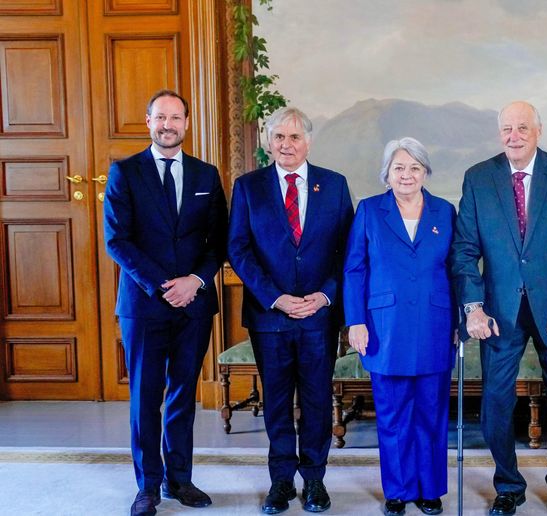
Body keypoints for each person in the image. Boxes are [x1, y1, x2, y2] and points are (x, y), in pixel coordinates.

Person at [450, 101, 547, 516]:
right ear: (499, 133)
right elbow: (464, 250)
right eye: (507, 129)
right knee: (495, 400)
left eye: (522, 128)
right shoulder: (479, 179)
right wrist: (473, 308)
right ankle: (509, 485)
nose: (514, 136)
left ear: (539, 130)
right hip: (498, 313)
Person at [104, 89, 228, 516]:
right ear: (148, 121)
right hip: (143, 305)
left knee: (182, 394)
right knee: (145, 396)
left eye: (175, 118)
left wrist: (193, 281)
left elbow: (219, 242)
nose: (168, 125)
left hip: (193, 303)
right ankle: (148, 487)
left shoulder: (206, 175)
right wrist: (162, 285)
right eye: (160, 117)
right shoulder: (125, 173)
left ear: (187, 124)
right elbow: (117, 241)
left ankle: (180, 479)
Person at [228, 106, 354, 515]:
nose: (286, 145)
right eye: (279, 137)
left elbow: (349, 253)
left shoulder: (334, 186)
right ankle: (281, 481)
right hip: (270, 315)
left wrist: (325, 295)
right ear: (269, 142)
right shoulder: (248, 187)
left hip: (319, 315)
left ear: (308, 142)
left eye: (294, 137)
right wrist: (275, 298)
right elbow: (239, 249)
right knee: (278, 400)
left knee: (317, 400)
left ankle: (314, 480)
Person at [342, 138, 456, 516]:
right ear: (387, 174)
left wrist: (459, 321)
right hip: (383, 328)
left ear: (425, 172)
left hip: (434, 325)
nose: (406, 175)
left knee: (431, 413)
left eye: (414, 168)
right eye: (399, 168)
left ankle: (429, 489)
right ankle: (397, 490)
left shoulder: (445, 211)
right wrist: (355, 320)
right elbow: (355, 268)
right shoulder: (370, 211)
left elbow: (458, 270)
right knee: (392, 415)